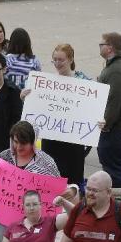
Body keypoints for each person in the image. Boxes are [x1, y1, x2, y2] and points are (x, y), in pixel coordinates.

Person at [36, 44, 91, 186]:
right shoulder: (48, 84)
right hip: (51, 141)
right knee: (51, 180)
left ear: (71, 59)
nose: (57, 63)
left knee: (73, 183)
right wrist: (26, 97)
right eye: (54, 60)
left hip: (73, 141)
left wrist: (99, 121)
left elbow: (92, 109)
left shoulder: (83, 82)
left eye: (61, 60)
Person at [96, 32, 121, 189]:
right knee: (115, 165)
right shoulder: (118, 64)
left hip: (116, 128)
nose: (100, 47)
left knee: (114, 167)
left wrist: (106, 124)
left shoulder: (117, 70)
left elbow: (115, 101)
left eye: (102, 44)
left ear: (110, 48)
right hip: (120, 126)